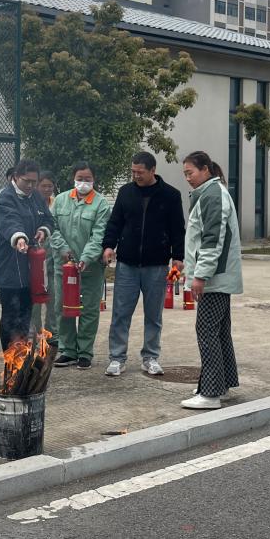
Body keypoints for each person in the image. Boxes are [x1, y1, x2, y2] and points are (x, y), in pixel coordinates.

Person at [101, 151, 186, 377]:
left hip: (157, 265)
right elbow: (115, 222)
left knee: (154, 314)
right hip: (127, 264)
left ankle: (150, 357)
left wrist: (178, 257)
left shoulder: (170, 195)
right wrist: (108, 246)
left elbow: (178, 229)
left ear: (152, 170)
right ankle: (117, 358)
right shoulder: (125, 192)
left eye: (140, 172)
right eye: (133, 172)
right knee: (120, 313)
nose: (136, 176)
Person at [179, 151, 243, 409]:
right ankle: (222, 383)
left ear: (205, 169)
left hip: (214, 277)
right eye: (185, 174)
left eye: (190, 172)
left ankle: (211, 393)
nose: (187, 178)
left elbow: (212, 239)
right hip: (217, 276)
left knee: (206, 330)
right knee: (219, 331)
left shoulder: (212, 195)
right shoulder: (209, 193)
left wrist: (200, 275)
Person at [48, 162, 111, 370]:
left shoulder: (101, 204)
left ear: (94, 180)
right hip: (63, 266)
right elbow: (52, 228)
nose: (83, 182)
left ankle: (84, 352)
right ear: (73, 179)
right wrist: (63, 249)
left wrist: (86, 257)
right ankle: (67, 350)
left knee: (89, 310)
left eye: (87, 179)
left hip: (90, 268)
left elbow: (99, 235)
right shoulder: (60, 200)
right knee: (62, 307)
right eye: (80, 178)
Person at [0, 159, 54, 351]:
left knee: (26, 313)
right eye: (26, 181)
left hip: (31, 265)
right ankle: (11, 357)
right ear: (15, 177)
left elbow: (48, 219)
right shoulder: (5, 197)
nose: (30, 185)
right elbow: (10, 221)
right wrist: (19, 237)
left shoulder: (36, 196)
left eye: (33, 182)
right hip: (10, 264)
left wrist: (43, 230)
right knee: (11, 315)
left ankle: (23, 354)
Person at [33, 171, 59, 341]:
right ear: (37, 186)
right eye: (44, 186)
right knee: (35, 301)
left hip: (53, 259)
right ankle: (36, 333)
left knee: (54, 299)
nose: (47, 189)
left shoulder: (56, 204)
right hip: (35, 260)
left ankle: (52, 334)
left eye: (50, 186)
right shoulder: (31, 204)